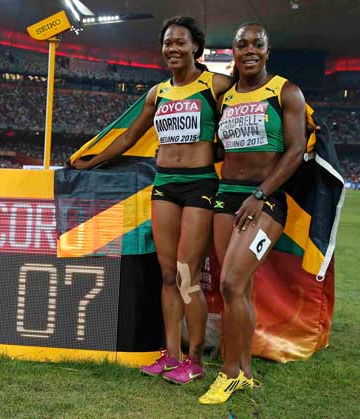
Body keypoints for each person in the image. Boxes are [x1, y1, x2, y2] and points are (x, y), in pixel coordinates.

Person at [74, 16, 232, 384]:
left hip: (199, 186)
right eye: (167, 43)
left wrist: (218, 152)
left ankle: (194, 359)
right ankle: (170, 354)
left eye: (180, 42)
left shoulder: (217, 85)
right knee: (166, 274)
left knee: (186, 273)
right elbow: (129, 137)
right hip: (165, 185)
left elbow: (251, 110)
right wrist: (92, 161)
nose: (173, 49)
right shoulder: (157, 93)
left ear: (196, 47)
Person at [198, 23, 307, 404]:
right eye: (241, 44)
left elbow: (295, 151)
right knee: (235, 289)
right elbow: (221, 150)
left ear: (267, 49)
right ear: (233, 51)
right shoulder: (225, 97)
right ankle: (243, 371)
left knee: (230, 282)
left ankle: (228, 375)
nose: (248, 50)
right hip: (225, 197)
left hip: (266, 201)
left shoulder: (285, 91)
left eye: (256, 44)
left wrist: (261, 194)